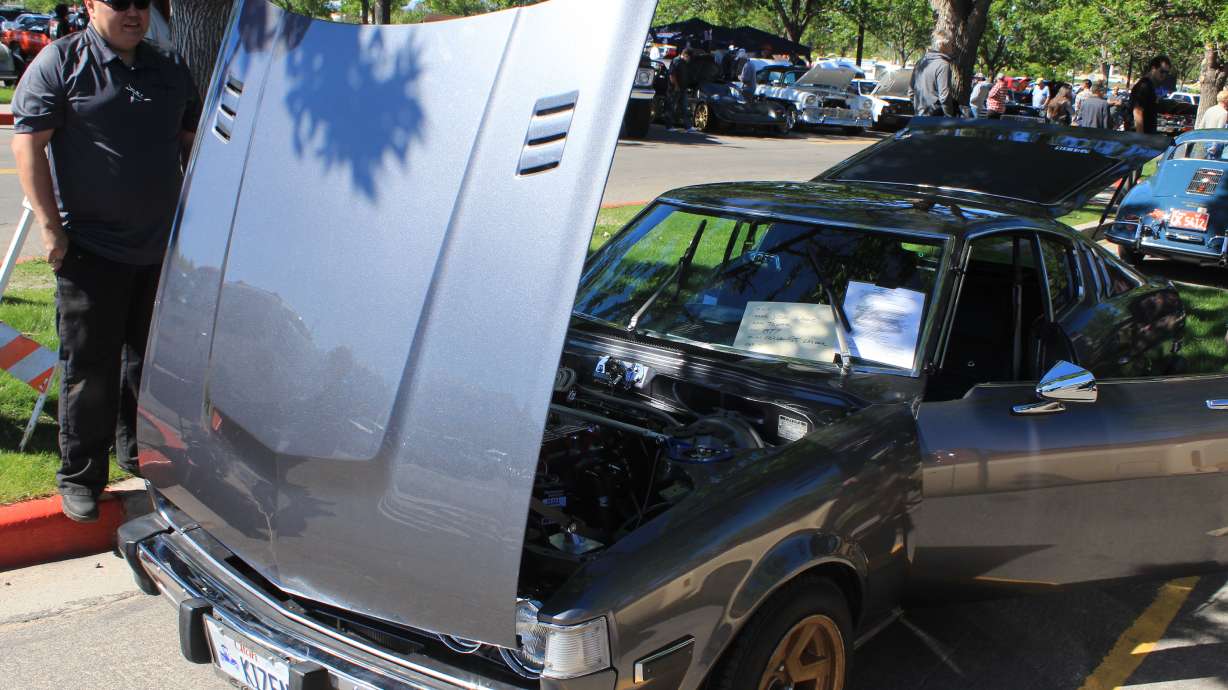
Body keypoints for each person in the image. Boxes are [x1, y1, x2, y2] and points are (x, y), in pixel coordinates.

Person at [11, 0, 202, 522]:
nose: (133, 13)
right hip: (90, 250)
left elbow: (192, 142)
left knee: (149, 368)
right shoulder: (61, 62)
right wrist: (51, 228)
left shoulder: (170, 68)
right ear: (92, 6)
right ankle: (80, 476)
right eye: (119, 4)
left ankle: (140, 455)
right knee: (88, 372)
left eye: (142, 4)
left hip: (160, 251)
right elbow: (28, 145)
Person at [910, 41, 957, 117]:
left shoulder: (920, 62)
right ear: (944, 46)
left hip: (919, 117)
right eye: (952, 45)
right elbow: (944, 97)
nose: (953, 48)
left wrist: (919, 109)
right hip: (935, 120)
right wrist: (949, 117)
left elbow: (911, 92)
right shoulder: (943, 65)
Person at [1130, 55, 1171, 134]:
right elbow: (1137, 111)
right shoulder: (1144, 85)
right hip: (1140, 136)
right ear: (1153, 69)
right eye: (1162, 71)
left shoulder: (1150, 86)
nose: (1164, 75)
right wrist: (1140, 137)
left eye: (1167, 72)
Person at [668, 48, 697, 132]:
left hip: (683, 88)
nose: (689, 60)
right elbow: (672, 75)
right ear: (685, 55)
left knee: (684, 107)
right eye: (688, 57)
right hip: (674, 88)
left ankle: (688, 126)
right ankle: (669, 126)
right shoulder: (676, 61)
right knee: (671, 107)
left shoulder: (684, 63)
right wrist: (676, 86)